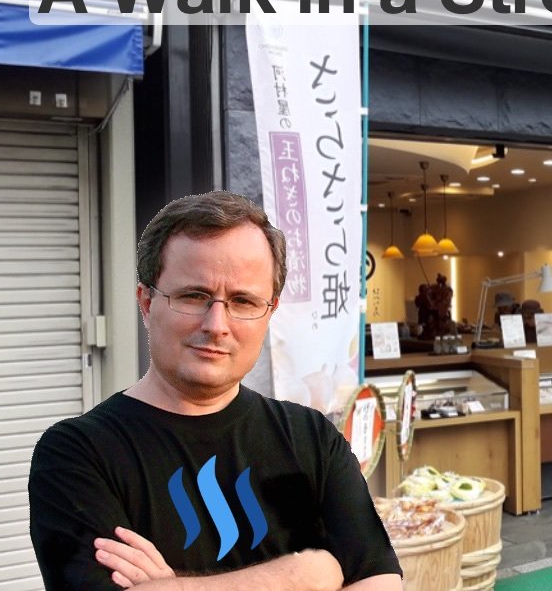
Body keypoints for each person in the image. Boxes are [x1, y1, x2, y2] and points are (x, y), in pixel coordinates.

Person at [29, 192, 402, 590]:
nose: (217, 324)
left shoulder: (313, 439)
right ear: (145, 301)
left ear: (269, 312)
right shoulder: (77, 454)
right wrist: (300, 577)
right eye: (194, 296)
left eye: (242, 301)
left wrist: (173, 586)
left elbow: (378, 583)